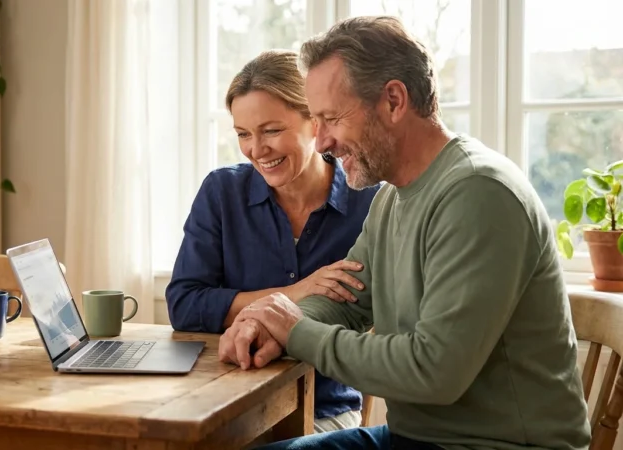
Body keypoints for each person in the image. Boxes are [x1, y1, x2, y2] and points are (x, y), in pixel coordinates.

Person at [219, 16, 592, 450]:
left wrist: (296, 331)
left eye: (331, 118)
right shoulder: (392, 198)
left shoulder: (478, 193)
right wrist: (268, 321)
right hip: (416, 440)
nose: (320, 142)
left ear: (393, 101)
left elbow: (433, 372)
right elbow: (348, 297)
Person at [166, 50, 380, 432]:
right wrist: (295, 293)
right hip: (226, 404)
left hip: (326, 410)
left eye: (271, 130)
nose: (256, 150)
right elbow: (184, 304)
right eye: (243, 134)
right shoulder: (221, 193)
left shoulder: (369, 202)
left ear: (314, 122)